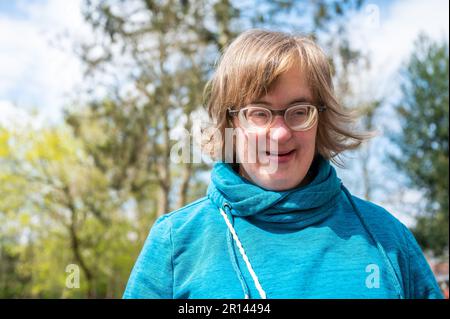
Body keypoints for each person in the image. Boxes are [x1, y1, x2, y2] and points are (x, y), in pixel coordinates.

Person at [123, 29, 443, 299]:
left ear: (321, 118)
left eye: (299, 111)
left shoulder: (387, 238)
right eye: (259, 112)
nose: (279, 133)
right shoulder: (175, 241)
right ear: (230, 122)